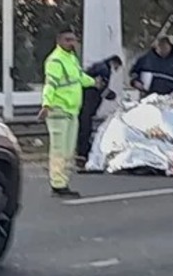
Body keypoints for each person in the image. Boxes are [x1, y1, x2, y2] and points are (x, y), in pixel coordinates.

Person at [38, 27, 103, 197]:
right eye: (67, 39)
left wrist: (93, 83)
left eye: (73, 39)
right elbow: (50, 84)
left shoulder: (71, 58)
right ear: (59, 41)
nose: (72, 42)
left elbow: (79, 78)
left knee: (68, 150)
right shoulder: (56, 60)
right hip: (58, 109)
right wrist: (46, 104)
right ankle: (58, 184)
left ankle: (63, 182)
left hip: (72, 110)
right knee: (59, 149)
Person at [75, 55, 122, 168]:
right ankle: (83, 153)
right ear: (114, 63)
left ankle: (81, 152)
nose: (116, 69)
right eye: (117, 67)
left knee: (83, 127)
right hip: (89, 103)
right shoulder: (104, 70)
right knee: (86, 128)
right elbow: (100, 86)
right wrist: (111, 95)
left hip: (85, 101)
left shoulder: (97, 67)